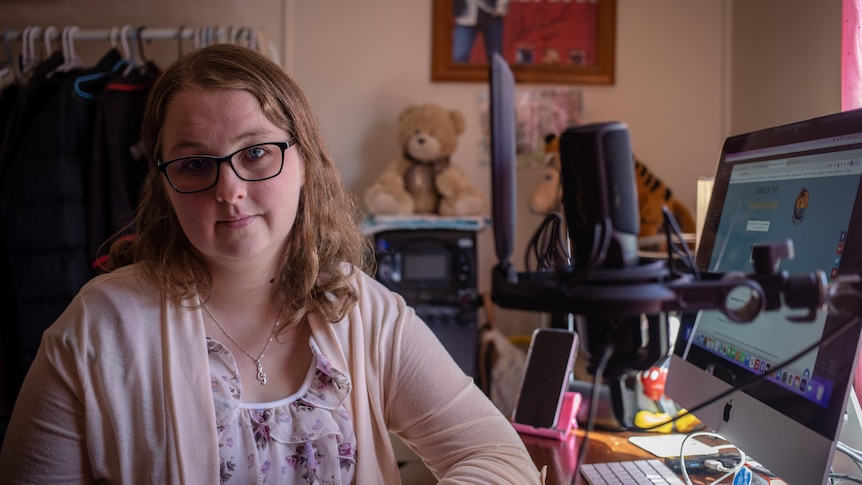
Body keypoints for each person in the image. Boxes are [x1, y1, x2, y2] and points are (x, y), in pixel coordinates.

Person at [0, 44, 542, 483]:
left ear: (304, 160)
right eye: (193, 163)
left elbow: (500, 460)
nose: (229, 189)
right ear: (164, 186)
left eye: (256, 151)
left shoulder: (366, 314)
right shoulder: (96, 329)